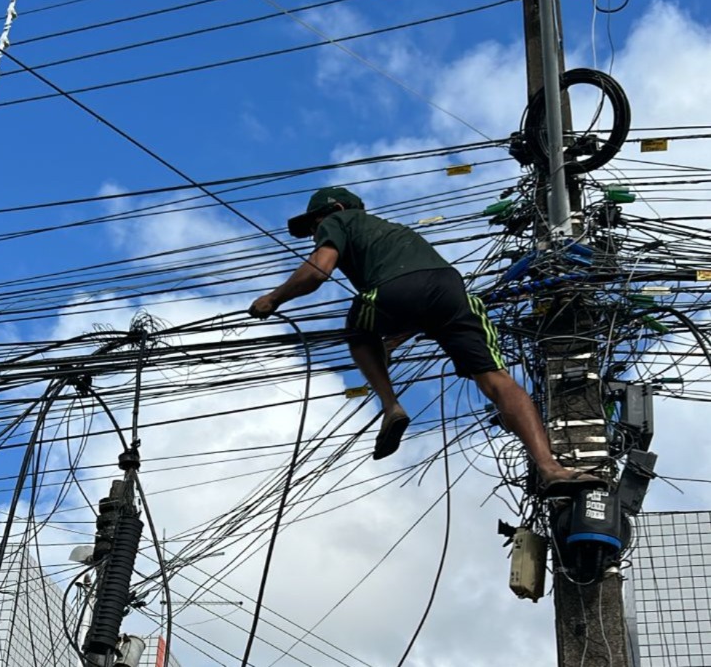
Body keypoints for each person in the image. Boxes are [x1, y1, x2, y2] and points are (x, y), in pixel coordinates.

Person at [249, 186, 603, 496]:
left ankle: (391, 407)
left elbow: (318, 270)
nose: (315, 233)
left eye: (314, 225)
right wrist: (393, 340)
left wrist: (273, 299)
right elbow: (423, 294)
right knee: (497, 381)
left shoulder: (339, 222)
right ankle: (550, 468)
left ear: (336, 211)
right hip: (452, 290)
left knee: (358, 333)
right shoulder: (394, 233)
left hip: (393, 290)